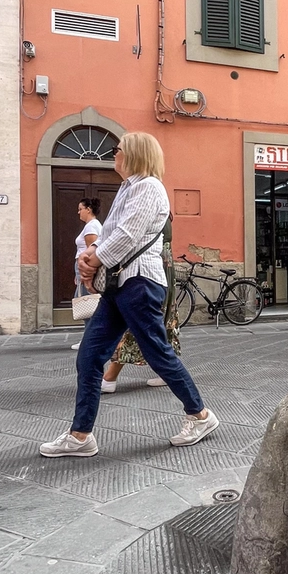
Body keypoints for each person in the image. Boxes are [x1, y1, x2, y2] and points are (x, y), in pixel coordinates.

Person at [40, 132, 219, 458]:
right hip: (121, 285)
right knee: (91, 356)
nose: (113, 155)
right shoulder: (129, 188)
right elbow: (109, 232)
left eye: (117, 150)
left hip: (140, 284)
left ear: (134, 154)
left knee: (158, 354)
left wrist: (92, 262)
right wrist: (91, 252)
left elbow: (127, 235)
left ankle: (200, 415)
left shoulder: (149, 187)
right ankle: (81, 436)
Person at [100, 214, 178, 391]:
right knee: (159, 321)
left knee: (138, 320)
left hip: (147, 268)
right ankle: (166, 373)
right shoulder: (164, 211)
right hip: (163, 266)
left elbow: (128, 239)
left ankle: (110, 377)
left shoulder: (147, 207)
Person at [70, 197, 103, 350]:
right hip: (82, 269)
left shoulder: (91, 227)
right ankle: (89, 338)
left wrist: (86, 273)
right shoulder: (92, 226)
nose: (78, 212)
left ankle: (89, 340)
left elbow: (92, 251)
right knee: (88, 303)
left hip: (85, 267)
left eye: (80, 209)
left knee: (88, 304)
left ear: (88, 209)